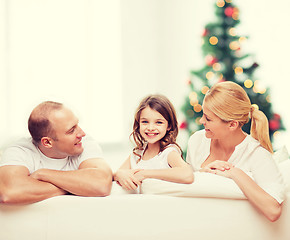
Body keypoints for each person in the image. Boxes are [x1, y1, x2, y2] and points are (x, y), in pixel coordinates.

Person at [186, 81, 286, 222]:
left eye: (208, 118)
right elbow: (187, 188)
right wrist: (202, 174)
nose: (202, 120)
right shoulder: (196, 141)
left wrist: (235, 173)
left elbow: (273, 211)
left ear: (232, 124)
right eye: (203, 114)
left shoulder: (257, 154)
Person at [0, 101, 112, 204]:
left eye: (77, 125)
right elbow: (9, 192)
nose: (82, 133)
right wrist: (79, 187)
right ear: (47, 142)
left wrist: (43, 174)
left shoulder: (83, 143)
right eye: (71, 130)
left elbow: (101, 184)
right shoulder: (20, 151)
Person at [114, 94, 194, 191]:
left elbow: (188, 174)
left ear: (169, 126)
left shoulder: (168, 153)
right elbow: (117, 175)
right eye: (145, 122)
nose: (151, 128)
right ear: (138, 124)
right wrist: (118, 174)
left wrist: (144, 174)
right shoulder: (137, 154)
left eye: (159, 122)